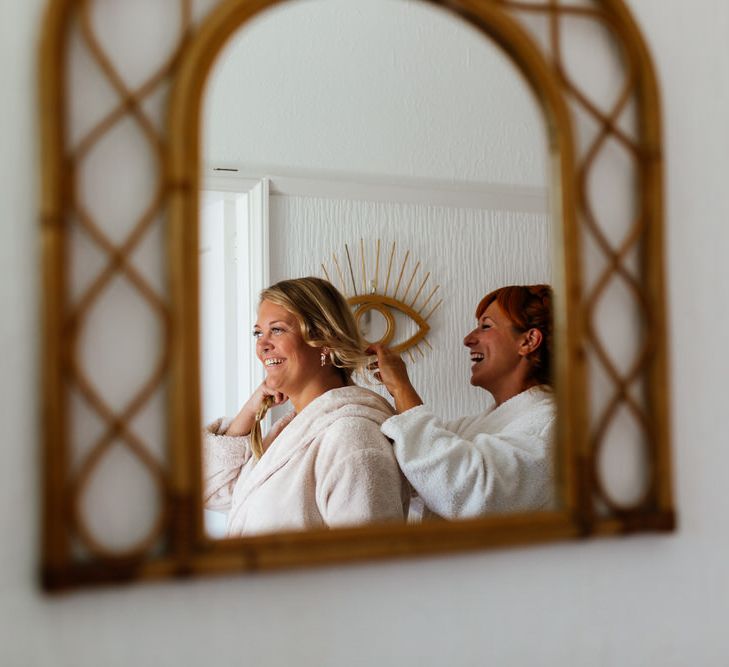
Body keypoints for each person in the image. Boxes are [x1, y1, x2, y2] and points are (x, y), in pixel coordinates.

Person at [203, 277, 409, 536]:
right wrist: (250, 408)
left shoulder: (353, 437)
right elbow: (209, 489)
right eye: (258, 332)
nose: (262, 345)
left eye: (277, 330)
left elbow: (368, 566)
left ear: (324, 340)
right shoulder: (288, 434)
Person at [369, 284, 556, 519]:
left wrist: (401, 387)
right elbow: (407, 462)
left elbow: (468, 493)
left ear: (528, 341)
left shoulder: (552, 425)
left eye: (486, 326)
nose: (468, 339)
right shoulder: (472, 427)